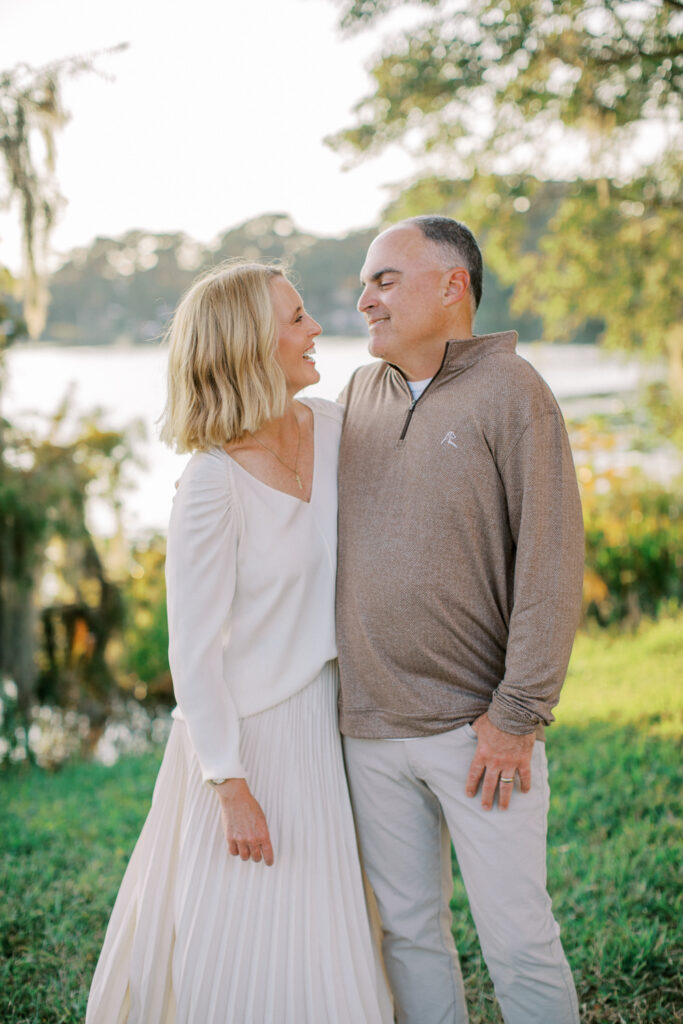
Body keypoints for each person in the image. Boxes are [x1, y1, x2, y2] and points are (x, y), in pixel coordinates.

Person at [86, 261, 392, 1023]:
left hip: (329, 718)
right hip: (246, 740)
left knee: (328, 917)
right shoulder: (211, 484)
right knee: (244, 923)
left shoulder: (332, 425)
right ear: (250, 345)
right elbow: (191, 653)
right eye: (295, 319)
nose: (316, 327)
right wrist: (228, 783)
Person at [336, 215, 584, 1024]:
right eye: (365, 281)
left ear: (453, 285)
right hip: (368, 728)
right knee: (407, 934)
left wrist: (514, 718)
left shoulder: (515, 393)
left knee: (515, 938)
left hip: (478, 734)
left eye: (384, 279)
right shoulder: (356, 394)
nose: (363, 298)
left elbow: (550, 565)